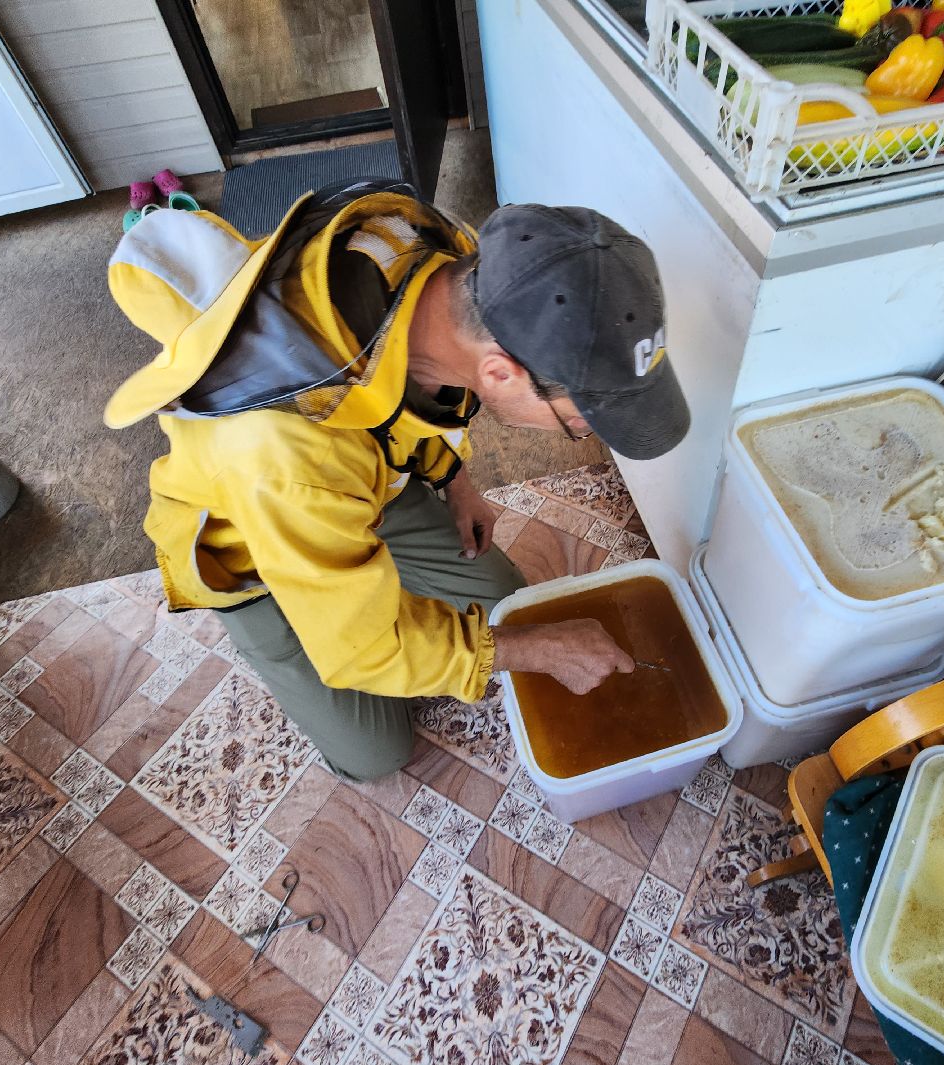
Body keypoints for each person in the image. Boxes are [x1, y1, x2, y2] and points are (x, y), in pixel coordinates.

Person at [104, 179, 690, 780]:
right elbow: (363, 652)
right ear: (502, 371)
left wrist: (456, 480)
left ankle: (360, 579)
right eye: (576, 422)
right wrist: (539, 651)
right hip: (254, 549)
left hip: (367, 483)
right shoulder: (289, 451)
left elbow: (418, 395)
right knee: (377, 753)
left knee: (507, 607)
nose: (581, 432)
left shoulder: (448, 263)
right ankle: (286, 619)